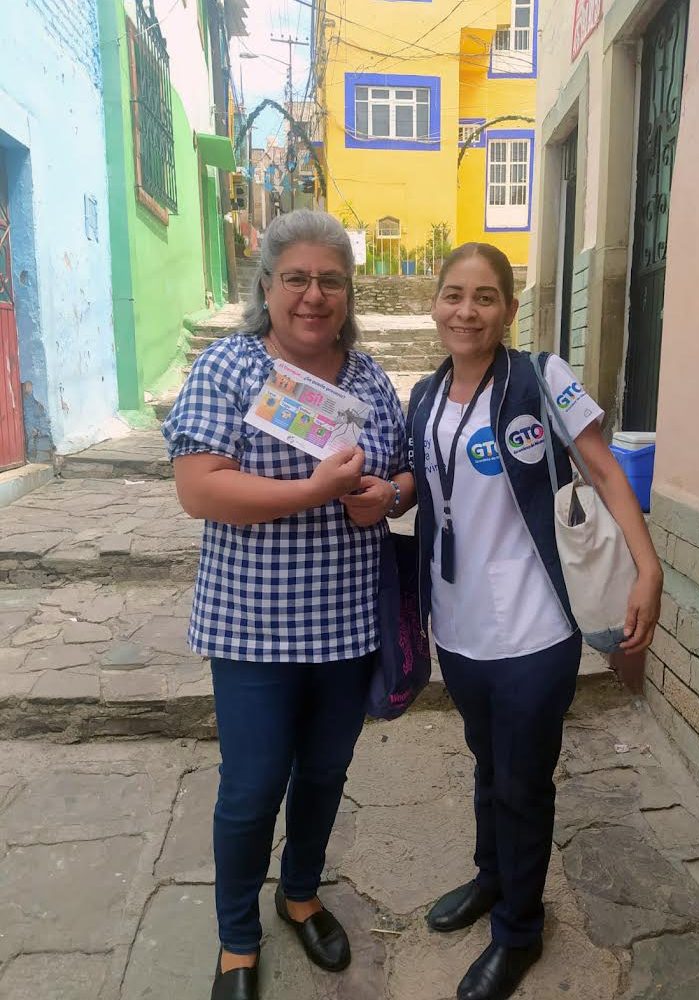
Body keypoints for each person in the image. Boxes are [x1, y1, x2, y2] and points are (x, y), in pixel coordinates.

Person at [401, 243, 663, 1000]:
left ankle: (519, 931)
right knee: (488, 764)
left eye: (485, 297)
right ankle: (492, 878)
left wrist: (647, 568)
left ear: (509, 310)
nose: (467, 311)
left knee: (522, 782)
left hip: (536, 626)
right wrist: (385, 494)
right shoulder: (425, 395)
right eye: (454, 295)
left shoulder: (540, 377)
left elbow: (604, 467)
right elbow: (430, 485)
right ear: (436, 304)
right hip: (459, 625)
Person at [162, 210, 410, 1000]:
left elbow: (406, 472)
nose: (314, 295)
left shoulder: (367, 379)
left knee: (326, 772)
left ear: (348, 293)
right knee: (251, 786)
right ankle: (237, 940)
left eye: (330, 281)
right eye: (296, 278)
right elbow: (200, 489)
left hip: (346, 625)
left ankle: (299, 894)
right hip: (252, 627)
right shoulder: (230, 369)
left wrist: (385, 495)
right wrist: (314, 490)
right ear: (266, 286)